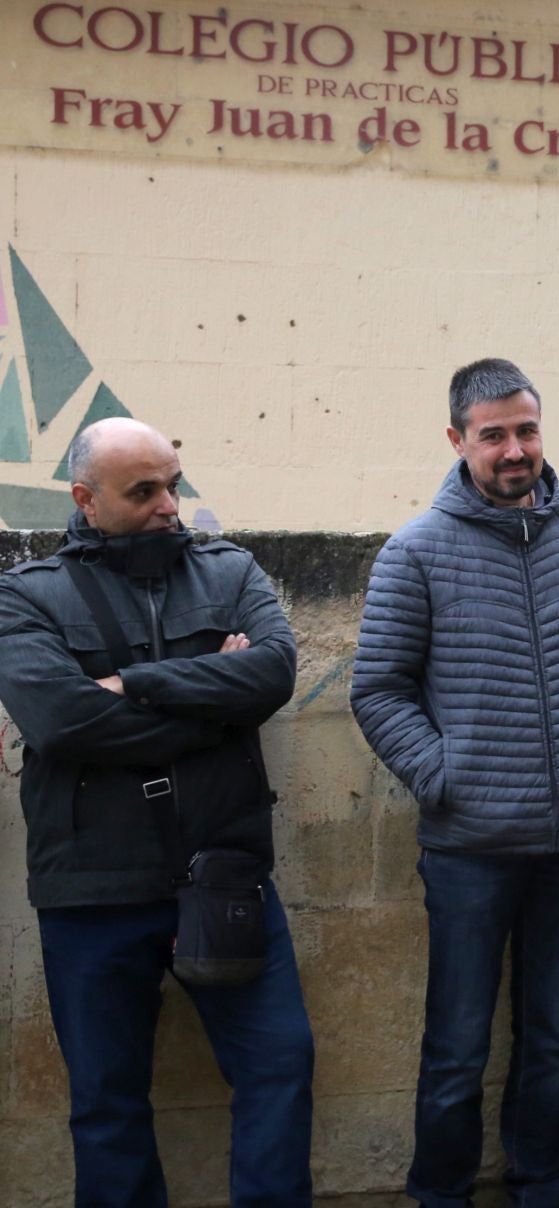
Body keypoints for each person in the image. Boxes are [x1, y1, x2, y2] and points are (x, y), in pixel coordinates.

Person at [350, 358, 559, 1207]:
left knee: (550, 1040)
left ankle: (538, 1187)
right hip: (469, 850)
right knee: (457, 1049)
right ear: (458, 440)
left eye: (527, 431)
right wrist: (447, 777)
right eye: (494, 436)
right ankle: (440, 1194)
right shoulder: (415, 552)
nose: (515, 450)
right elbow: (378, 689)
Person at [0, 417, 312, 1205]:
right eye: (143, 491)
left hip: (225, 878)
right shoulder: (23, 595)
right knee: (107, 1106)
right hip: (92, 890)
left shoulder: (230, 571)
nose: (169, 505)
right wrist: (212, 690)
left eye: (174, 483)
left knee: (280, 1067)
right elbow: (62, 722)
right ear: (86, 500)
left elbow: (271, 676)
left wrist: (134, 683)